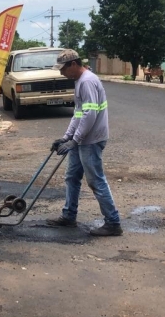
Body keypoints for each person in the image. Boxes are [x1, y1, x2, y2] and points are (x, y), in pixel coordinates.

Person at [47, 49, 122, 236]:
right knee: (72, 177)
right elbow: (78, 114)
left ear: (73, 64)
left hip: (92, 139)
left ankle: (113, 223)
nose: (61, 73)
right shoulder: (80, 81)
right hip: (81, 139)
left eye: (63, 69)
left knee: (96, 180)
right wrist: (67, 137)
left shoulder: (87, 81)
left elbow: (90, 115)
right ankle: (69, 216)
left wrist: (75, 140)